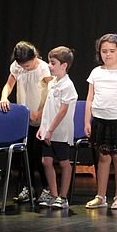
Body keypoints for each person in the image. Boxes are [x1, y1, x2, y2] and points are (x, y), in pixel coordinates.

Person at [0, 41, 53, 203]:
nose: (25, 69)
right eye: (23, 66)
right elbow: (9, 85)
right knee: (25, 156)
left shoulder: (43, 68)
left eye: (28, 65)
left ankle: (47, 188)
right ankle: (29, 187)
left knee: (39, 156)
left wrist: (40, 113)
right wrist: (4, 97)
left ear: (35, 57)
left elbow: (52, 93)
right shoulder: (17, 66)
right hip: (25, 118)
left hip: (41, 118)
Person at [84, 33, 117, 210]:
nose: (108, 54)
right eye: (104, 51)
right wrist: (87, 121)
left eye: (112, 51)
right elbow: (90, 98)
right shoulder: (96, 72)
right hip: (100, 119)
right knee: (103, 157)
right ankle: (100, 196)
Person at [35, 46, 78, 210]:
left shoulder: (67, 85)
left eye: (53, 63)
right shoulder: (52, 82)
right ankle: (53, 194)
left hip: (60, 132)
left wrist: (51, 130)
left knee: (64, 162)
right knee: (46, 161)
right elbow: (48, 107)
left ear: (64, 65)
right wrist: (43, 127)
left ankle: (63, 196)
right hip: (48, 131)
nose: (49, 66)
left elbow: (63, 111)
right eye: (49, 62)